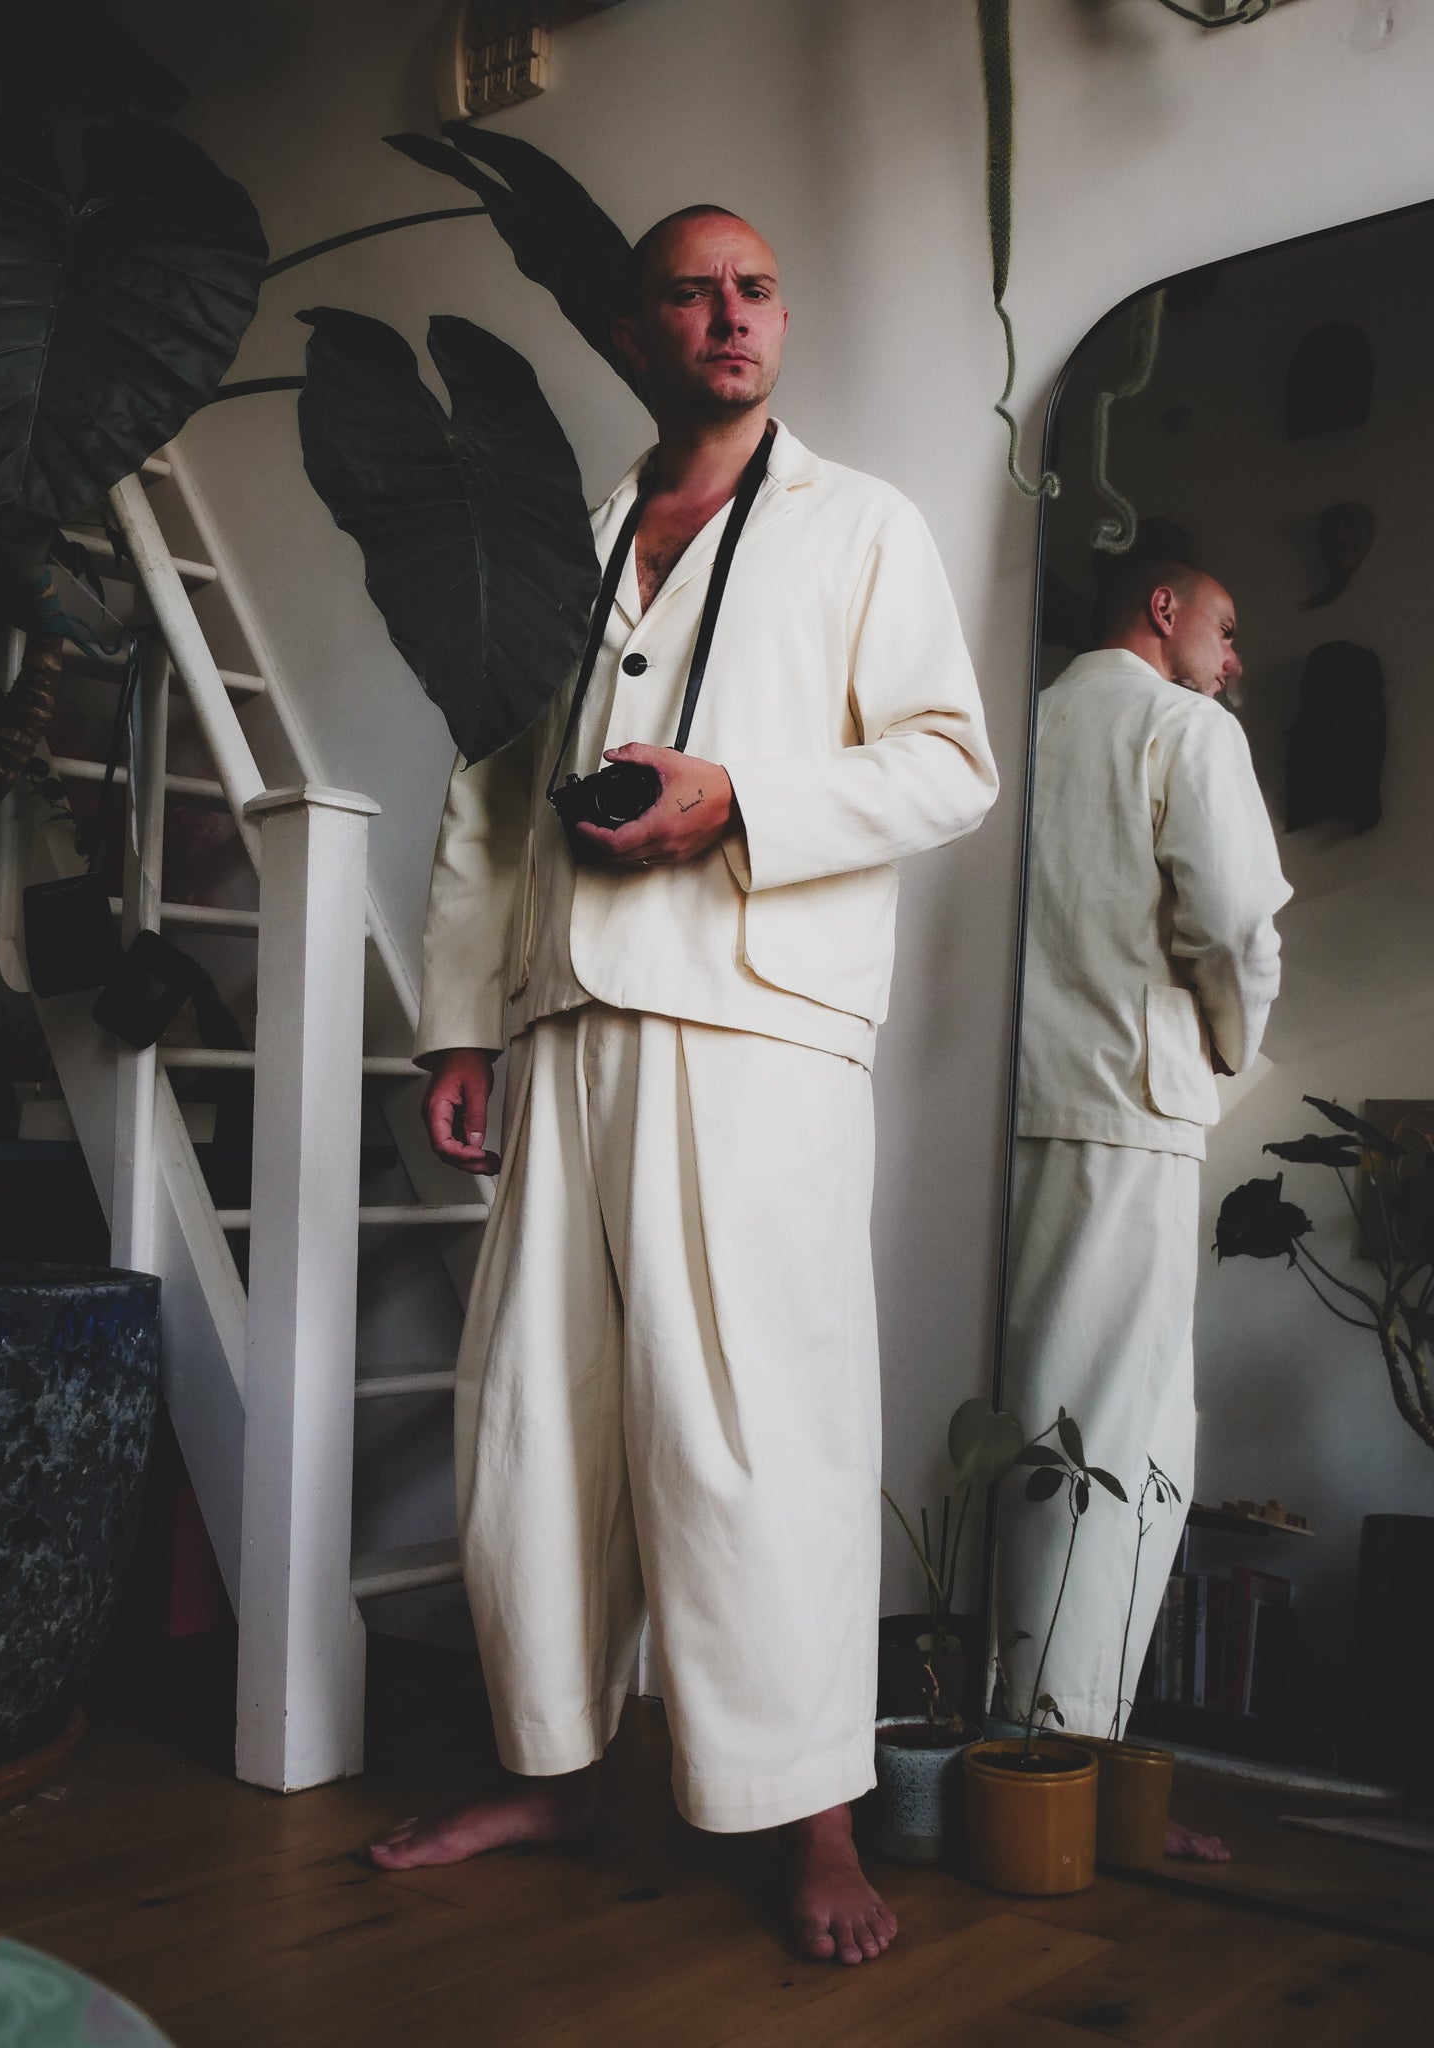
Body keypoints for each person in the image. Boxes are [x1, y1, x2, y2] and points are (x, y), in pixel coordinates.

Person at [366, 205, 998, 1964]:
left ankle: (815, 1821)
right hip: (565, 1026)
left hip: (756, 1028)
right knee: (534, 1428)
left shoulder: (859, 525)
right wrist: (458, 1026)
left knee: (757, 1435)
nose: (730, 315)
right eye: (690, 292)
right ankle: (555, 1770)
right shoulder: (566, 551)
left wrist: (745, 803)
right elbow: (491, 803)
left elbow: (953, 767)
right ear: (632, 332)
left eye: (758, 288)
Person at [997, 556, 1290, 1860]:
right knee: (1109, 1448)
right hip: (1127, 1106)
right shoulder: (1183, 729)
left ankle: (995, 1753)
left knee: (1008, 1431)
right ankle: (1072, 1776)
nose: (1234, 662)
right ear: (1164, 608)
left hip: (994, 1114)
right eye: (1226, 631)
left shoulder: (1017, 723)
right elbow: (1234, 925)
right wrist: (1229, 1051)